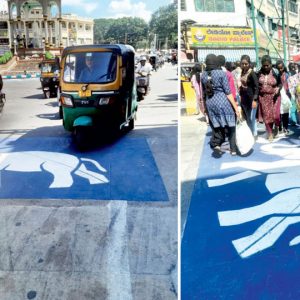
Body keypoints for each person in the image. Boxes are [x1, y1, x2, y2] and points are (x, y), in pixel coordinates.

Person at [201, 54, 240, 156]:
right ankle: (233, 149)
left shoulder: (203, 75)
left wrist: (205, 107)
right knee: (231, 126)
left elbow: (203, 93)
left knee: (217, 127)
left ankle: (217, 144)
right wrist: (236, 108)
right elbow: (228, 92)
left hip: (210, 103)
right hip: (223, 102)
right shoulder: (221, 73)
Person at [257, 55, 281, 142]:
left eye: (268, 65)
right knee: (267, 116)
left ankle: (277, 126)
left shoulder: (276, 72)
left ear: (271, 64)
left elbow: (280, 83)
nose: (266, 67)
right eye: (264, 65)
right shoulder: (258, 73)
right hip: (263, 98)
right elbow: (256, 85)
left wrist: (278, 88)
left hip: (275, 97)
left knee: (276, 116)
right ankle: (270, 133)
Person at [239, 55, 259, 138]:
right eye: (242, 64)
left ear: (249, 64)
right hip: (244, 98)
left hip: (251, 98)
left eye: (246, 64)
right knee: (247, 117)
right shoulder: (242, 72)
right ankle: (250, 134)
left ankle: (254, 134)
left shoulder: (252, 73)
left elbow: (257, 87)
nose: (244, 65)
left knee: (252, 118)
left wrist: (254, 100)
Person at [276, 60, 292, 135]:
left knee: (286, 112)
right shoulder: (276, 75)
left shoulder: (288, 74)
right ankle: (279, 127)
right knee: (279, 111)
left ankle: (285, 127)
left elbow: (291, 84)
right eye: (278, 68)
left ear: (283, 67)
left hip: (287, 95)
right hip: (279, 95)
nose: (280, 70)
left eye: (281, 68)